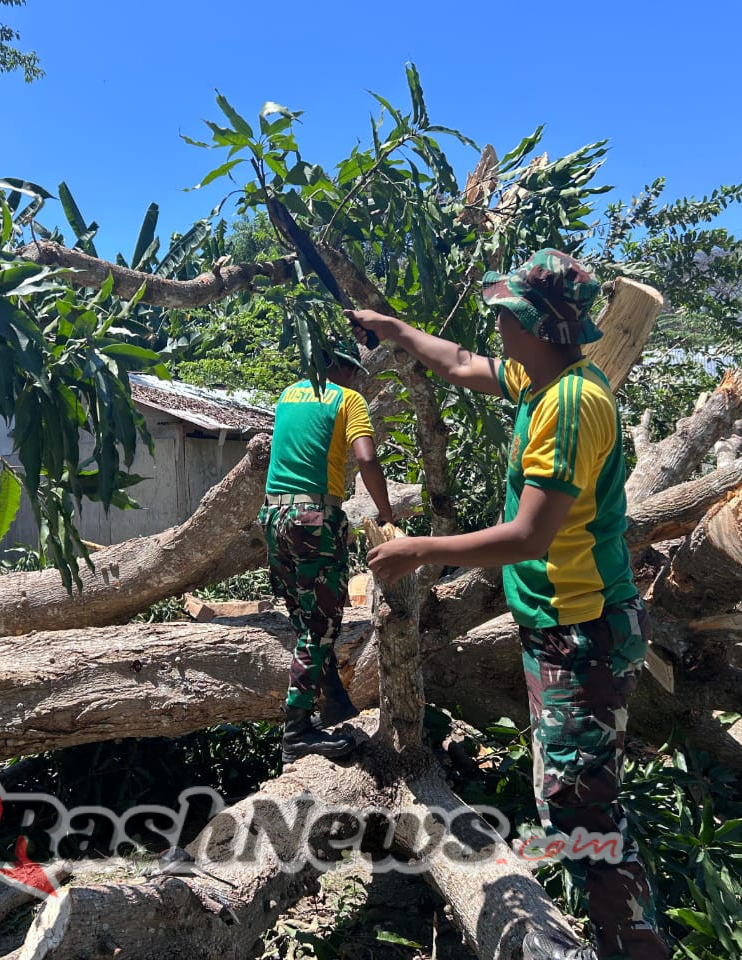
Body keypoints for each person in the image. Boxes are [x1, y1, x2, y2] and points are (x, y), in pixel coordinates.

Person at [347, 249, 668, 960]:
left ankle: (632, 947)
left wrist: (421, 550)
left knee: (581, 808)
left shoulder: (572, 405)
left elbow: (529, 536)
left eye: (506, 313)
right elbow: (461, 364)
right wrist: (395, 330)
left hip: (582, 629)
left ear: (538, 324)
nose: (496, 324)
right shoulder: (540, 378)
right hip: (558, 626)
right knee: (569, 798)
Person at [261, 342, 395, 763]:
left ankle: (333, 696)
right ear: (342, 368)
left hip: (273, 516)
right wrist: (386, 513)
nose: (356, 379)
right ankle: (297, 731)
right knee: (320, 624)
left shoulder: (288, 395)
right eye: (353, 371)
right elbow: (366, 459)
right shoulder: (348, 399)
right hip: (312, 517)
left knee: (304, 616)